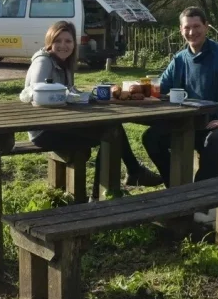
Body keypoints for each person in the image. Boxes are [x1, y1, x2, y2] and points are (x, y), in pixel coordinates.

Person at [20, 20, 163, 190]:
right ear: (49, 42)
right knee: (111, 133)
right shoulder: (43, 62)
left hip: (60, 123)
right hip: (44, 130)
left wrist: (89, 96)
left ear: (74, 43)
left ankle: (118, 181)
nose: (63, 45)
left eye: (68, 41)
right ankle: (109, 188)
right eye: (57, 41)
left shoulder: (63, 64)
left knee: (112, 128)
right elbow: (37, 92)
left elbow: (68, 92)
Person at [142, 7, 218, 187]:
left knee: (213, 142)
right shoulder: (180, 59)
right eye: (187, 28)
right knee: (151, 137)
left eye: (197, 26)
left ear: (207, 26)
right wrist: (132, 89)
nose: (192, 32)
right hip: (187, 125)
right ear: (180, 30)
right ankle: (175, 187)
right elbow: (159, 89)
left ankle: (199, 198)